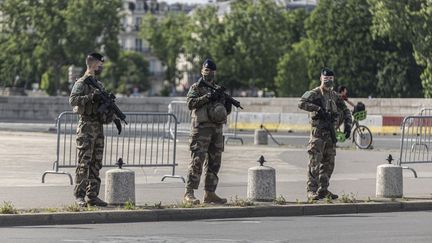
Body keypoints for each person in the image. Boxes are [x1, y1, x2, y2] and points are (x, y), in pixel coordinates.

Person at [298, 68, 352, 200]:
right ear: (321, 78)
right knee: (314, 163)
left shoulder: (335, 96)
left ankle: (323, 189)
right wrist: (317, 109)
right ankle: (311, 191)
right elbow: (301, 103)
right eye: (326, 79)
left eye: (331, 79)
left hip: (330, 134)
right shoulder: (314, 93)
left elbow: (346, 110)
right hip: (318, 135)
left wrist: (348, 126)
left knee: (329, 164)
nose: (328, 81)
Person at [183, 59, 232, 204]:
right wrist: (207, 97)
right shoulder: (196, 87)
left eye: (212, 71)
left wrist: (225, 102)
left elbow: (223, 112)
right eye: (207, 71)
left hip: (216, 129)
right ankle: (189, 192)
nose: (209, 74)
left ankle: (210, 193)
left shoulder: (217, 88)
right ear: (202, 71)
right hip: (201, 129)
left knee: (215, 162)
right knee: (197, 160)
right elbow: (190, 103)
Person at [69, 52, 111, 207]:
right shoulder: (82, 82)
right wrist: (90, 98)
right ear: (93, 64)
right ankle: (79, 196)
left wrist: (110, 112)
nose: (101, 66)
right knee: (83, 163)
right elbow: (72, 100)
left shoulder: (98, 84)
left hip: (98, 128)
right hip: (86, 127)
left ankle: (92, 195)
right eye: (100, 64)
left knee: (96, 163)